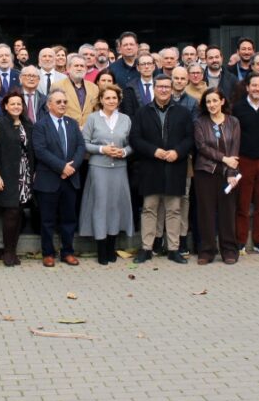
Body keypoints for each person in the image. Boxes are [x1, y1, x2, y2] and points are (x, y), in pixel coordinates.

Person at [130, 75, 194, 264]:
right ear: (155, 88)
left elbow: (190, 138)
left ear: (172, 88)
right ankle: (146, 248)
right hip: (151, 166)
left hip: (175, 166)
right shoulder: (143, 112)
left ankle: (173, 249)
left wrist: (178, 152)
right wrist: (154, 151)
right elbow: (135, 138)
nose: (164, 90)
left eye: (167, 87)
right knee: (149, 209)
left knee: (174, 209)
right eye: (160, 87)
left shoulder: (182, 112)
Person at [31, 88, 86, 267]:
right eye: (58, 102)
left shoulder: (72, 123)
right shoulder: (40, 125)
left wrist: (71, 167)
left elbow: (80, 147)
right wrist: (62, 167)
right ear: (49, 105)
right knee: (47, 220)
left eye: (64, 102)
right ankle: (48, 253)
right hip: (49, 180)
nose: (62, 104)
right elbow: (40, 151)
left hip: (70, 179)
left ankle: (67, 252)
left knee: (69, 219)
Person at [79, 84, 133, 265]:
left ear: (119, 100)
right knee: (100, 205)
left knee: (115, 206)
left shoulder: (125, 119)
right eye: (107, 98)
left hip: (119, 168)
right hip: (98, 168)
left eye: (114, 98)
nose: (111, 101)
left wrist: (124, 152)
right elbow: (84, 143)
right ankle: (101, 249)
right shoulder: (93, 118)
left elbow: (132, 143)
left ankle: (112, 246)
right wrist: (102, 149)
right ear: (101, 100)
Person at [193, 87, 242, 265]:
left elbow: (234, 149)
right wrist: (224, 159)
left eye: (215, 101)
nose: (211, 104)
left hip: (227, 175)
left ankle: (229, 250)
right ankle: (206, 251)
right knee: (205, 213)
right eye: (208, 102)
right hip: (205, 172)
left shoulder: (234, 122)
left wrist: (231, 173)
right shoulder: (200, 122)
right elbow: (202, 147)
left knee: (227, 212)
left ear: (222, 101)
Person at [230, 74, 259, 254]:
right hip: (244, 160)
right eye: (254, 85)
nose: (257, 89)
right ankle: (240, 241)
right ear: (247, 87)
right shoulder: (238, 108)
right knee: (242, 203)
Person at [0, 93, 35, 267]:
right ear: (6, 106)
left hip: (24, 173)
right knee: (10, 212)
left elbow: (32, 150)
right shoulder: (0, 124)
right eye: (13, 104)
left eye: (19, 103)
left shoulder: (27, 124)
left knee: (19, 212)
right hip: (6, 173)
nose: (16, 106)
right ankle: (7, 252)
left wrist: (34, 171)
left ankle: (13, 250)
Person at [55, 54, 98, 126]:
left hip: (88, 129)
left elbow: (97, 111)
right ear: (68, 68)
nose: (79, 68)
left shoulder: (94, 88)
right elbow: (55, 110)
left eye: (82, 66)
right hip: (67, 128)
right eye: (76, 66)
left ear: (86, 69)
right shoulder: (58, 86)